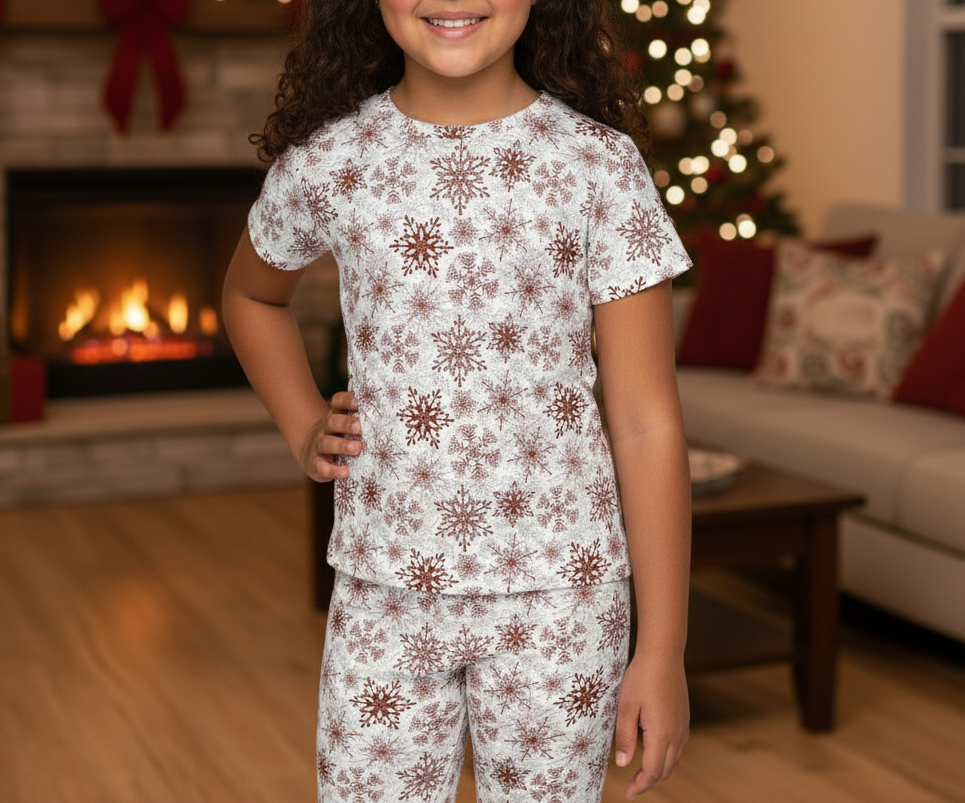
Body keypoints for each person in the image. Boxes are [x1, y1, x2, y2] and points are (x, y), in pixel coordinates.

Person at [222, 1, 692, 799]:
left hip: (563, 602)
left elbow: (647, 424)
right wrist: (304, 425)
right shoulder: (331, 160)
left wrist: (662, 651)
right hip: (382, 591)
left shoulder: (597, 167)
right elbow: (248, 294)